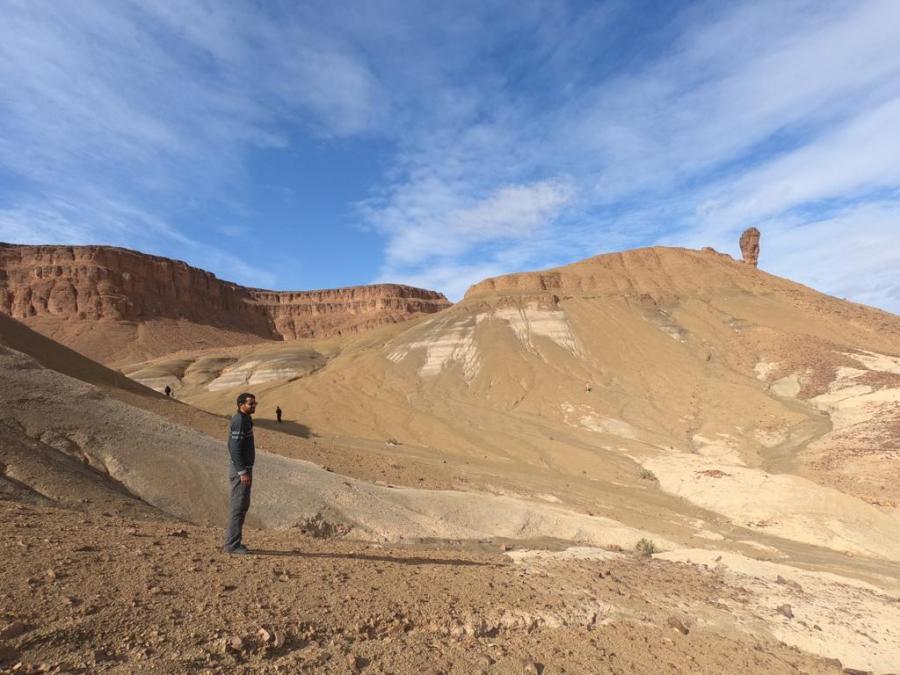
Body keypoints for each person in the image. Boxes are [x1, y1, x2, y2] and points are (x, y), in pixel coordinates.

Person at [224, 392, 257, 554]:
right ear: (241, 405)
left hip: (244, 470)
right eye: (251, 404)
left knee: (243, 505)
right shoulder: (239, 421)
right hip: (240, 471)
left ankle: (235, 542)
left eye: (255, 404)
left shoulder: (245, 419)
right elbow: (234, 448)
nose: (254, 406)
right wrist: (242, 471)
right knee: (237, 507)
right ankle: (231, 545)